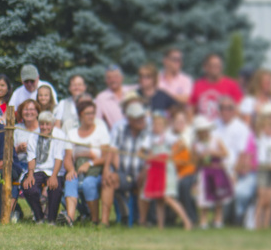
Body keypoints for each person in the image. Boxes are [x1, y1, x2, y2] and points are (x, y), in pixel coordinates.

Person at [142, 110, 193, 230]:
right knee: (159, 200)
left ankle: (187, 221)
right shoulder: (150, 138)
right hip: (155, 169)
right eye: (155, 124)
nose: (156, 127)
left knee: (167, 198)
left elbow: (181, 144)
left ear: (164, 126)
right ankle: (161, 226)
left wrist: (170, 155)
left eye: (159, 124)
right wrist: (146, 156)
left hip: (166, 171)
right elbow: (141, 151)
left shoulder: (167, 137)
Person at [63, 98, 111, 224]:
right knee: (70, 179)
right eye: (87, 113)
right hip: (78, 169)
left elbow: (106, 156)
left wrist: (89, 163)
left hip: (97, 169)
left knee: (89, 183)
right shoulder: (72, 133)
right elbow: (67, 157)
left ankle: (94, 219)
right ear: (80, 115)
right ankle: (70, 218)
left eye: (92, 113)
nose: (91, 116)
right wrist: (71, 169)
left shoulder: (101, 131)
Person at [106, 98, 150, 226]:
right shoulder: (120, 129)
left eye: (142, 117)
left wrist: (144, 171)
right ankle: (104, 222)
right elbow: (112, 150)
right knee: (109, 180)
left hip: (143, 172)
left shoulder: (148, 132)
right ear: (129, 119)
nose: (141, 120)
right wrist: (107, 170)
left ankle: (141, 221)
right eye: (137, 118)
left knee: (146, 180)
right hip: (123, 173)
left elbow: (150, 155)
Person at [216, 96, 256, 227]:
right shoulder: (214, 126)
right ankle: (218, 219)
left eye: (229, 108)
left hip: (236, 171)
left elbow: (243, 155)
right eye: (223, 108)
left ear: (234, 111)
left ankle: (238, 217)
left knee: (240, 191)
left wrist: (233, 173)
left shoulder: (242, 128)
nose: (226, 111)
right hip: (215, 168)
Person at [19, 109, 65, 223]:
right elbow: (31, 157)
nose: (44, 127)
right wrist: (30, 175)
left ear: (53, 125)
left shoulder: (59, 135)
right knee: (28, 186)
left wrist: (54, 176)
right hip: (38, 169)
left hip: (54, 170)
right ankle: (39, 217)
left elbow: (59, 157)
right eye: (42, 124)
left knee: (55, 187)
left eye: (47, 124)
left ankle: (51, 220)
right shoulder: (33, 135)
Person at [192, 115, 231, 228]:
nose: (203, 133)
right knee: (204, 197)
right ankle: (203, 220)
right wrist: (200, 157)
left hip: (217, 171)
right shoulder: (196, 144)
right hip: (204, 171)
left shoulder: (216, 140)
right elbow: (194, 160)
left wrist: (213, 152)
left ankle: (218, 219)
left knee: (218, 197)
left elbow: (225, 153)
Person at [192, 53, 243, 118]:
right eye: (214, 65)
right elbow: (191, 108)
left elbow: (239, 108)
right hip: (204, 126)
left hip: (224, 126)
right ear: (205, 67)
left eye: (218, 65)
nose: (217, 68)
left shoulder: (232, 85)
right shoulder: (197, 85)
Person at [93, 64, 131, 131]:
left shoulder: (131, 91)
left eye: (116, 77)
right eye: (109, 78)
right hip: (117, 137)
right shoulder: (101, 98)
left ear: (122, 77)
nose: (113, 80)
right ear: (105, 80)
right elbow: (97, 122)